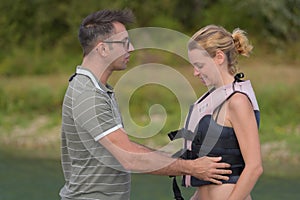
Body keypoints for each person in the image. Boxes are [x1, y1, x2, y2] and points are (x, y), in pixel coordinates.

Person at [59, 10, 232, 200]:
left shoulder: (98, 89)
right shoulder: (88, 94)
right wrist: (192, 168)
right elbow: (130, 157)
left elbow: (127, 148)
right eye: (124, 43)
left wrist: (179, 162)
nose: (131, 48)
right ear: (102, 49)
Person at [178, 25, 263, 200]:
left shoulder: (238, 101)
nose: (195, 73)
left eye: (199, 65)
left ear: (219, 57)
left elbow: (254, 167)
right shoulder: (210, 100)